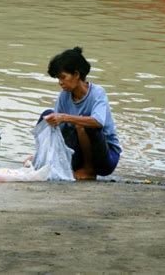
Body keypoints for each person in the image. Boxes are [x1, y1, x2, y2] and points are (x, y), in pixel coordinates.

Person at [39, 46, 122, 180]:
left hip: (104, 158)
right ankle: (41, 158)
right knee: (47, 115)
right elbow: (57, 131)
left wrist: (65, 117)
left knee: (83, 124)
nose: (60, 83)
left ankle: (89, 170)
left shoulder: (97, 93)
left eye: (63, 77)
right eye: (58, 79)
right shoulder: (63, 96)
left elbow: (98, 122)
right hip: (78, 153)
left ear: (76, 74)